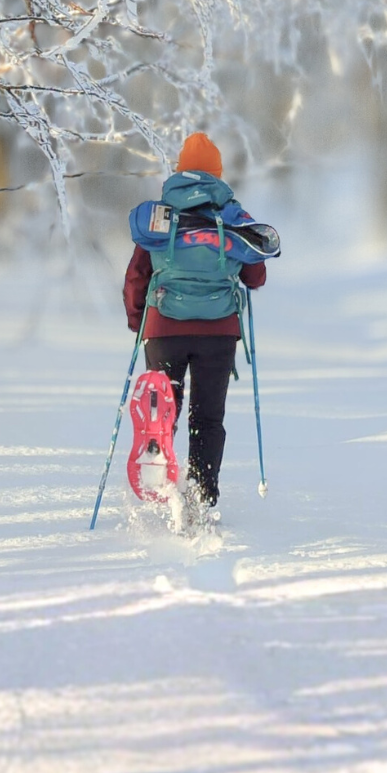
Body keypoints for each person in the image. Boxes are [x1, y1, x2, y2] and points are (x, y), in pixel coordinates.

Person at [123, 133, 266, 514]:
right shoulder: (233, 215)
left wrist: (139, 321)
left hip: (164, 327)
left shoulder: (161, 215)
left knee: (164, 407)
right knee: (207, 416)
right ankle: (202, 496)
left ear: (179, 171)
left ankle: (160, 471)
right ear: (218, 174)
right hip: (218, 332)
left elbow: (137, 275)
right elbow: (256, 275)